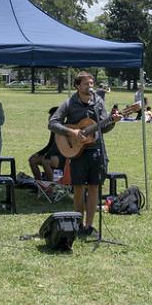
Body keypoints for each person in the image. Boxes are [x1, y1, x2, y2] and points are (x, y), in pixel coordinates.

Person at [49, 71, 121, 237]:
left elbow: (104, 127)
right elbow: (52, 123)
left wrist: (113, 122)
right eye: (86, 83)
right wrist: (72, 132)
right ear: (77, 86)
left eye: (92, 83)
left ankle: (89, 226)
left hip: (96, 150)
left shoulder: (98, 102)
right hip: (77, 152)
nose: (90, 86)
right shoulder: (69, 103)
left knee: (95, 187)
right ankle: (77, 224)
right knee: (79, 188)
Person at [28, 107, 62, 181]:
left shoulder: (63, 128)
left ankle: (50, 185)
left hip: (62, 157)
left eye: (52, 116)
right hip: (52, 155)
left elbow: (58, 147)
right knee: (32, 160)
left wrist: (47, 155)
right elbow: (49, 145)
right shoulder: (54, 128)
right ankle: (39, 184)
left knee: (45, 161)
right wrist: (38, 153)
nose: (49, 118)